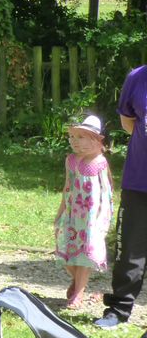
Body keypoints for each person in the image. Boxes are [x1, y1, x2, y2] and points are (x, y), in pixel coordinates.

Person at [98, 64, 147, 328]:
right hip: (139, 179)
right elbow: (129, 123)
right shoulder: (137, 77)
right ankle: (119, 309)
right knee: (129, 248)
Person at [54, 114, 112, 310]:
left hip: (91, 217)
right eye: (72, 137)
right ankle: (77, 280)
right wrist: (61, 211)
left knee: (86, 251)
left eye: (80, 137)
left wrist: (102, 216)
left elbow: (106, 192)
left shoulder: (99, 162)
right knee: (67, 250)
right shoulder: (70, 160)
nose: (74, 141)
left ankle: (78, 293)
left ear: (96, 140)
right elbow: (67, 187)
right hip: (72, 215)